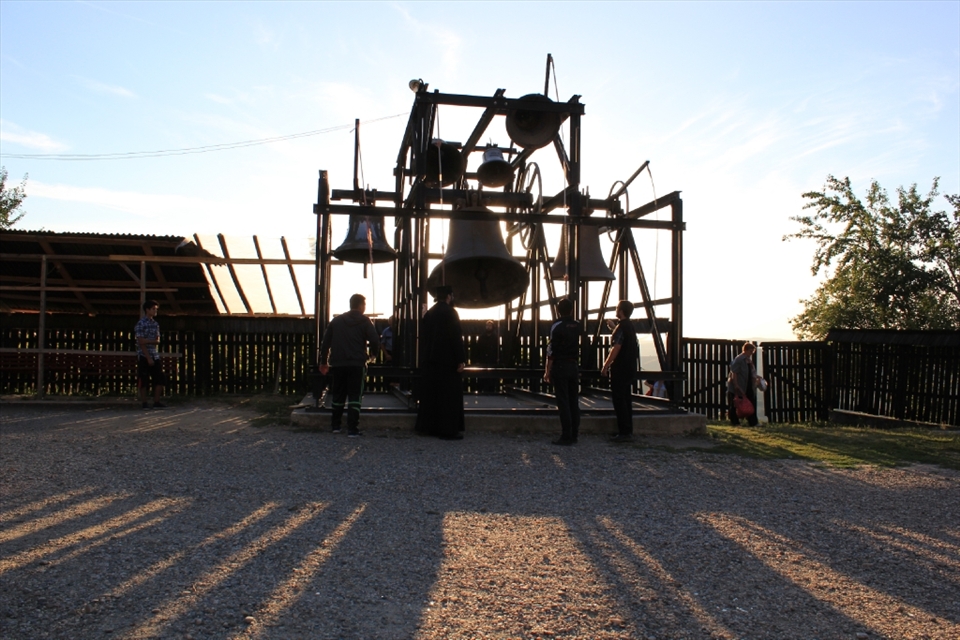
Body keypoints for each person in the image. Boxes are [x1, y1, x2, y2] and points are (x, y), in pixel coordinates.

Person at [319, 294, 380, 437]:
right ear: (361, 306)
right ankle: (352, 429)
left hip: (338, 363)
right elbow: (375, 340)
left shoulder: (337, 321)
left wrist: (324, 361)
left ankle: (335, 426)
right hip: (357, 364)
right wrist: (372, 356)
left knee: (338, 394)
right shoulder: (365, 322)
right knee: (355, 396)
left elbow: (326, 343)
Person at [415, 286, 466, 440]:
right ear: (449, 296)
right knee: (448, 396)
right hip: (447, 360)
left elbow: (424, 337)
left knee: (432, 394)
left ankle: (430, 428)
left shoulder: (430, 313)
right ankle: (448, 430)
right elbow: (456, 337)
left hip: (430, 360)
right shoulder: (450, 312)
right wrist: (460, 359)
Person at [543, 298, 580, 445]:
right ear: (571, 309)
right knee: (573, 400)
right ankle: (575, 434)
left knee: (563, 401)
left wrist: (547, 370)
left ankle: (566, 435)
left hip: (560, 365)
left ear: (558, 310)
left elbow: (551, 350)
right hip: (573, 365)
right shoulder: (577, 325)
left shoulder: (556, 326)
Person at [601, 300, 639, 442]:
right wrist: (613, 327)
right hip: (629, 368)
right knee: (626, 399)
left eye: (617, 308)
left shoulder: (621, 328)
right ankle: (628, 430)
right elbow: (623, 338)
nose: (616, 310)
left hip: (620, 369)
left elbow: (616, 347)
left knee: (619, 400)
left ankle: (623, 432)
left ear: (621, 311)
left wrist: (606, 365)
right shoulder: (629, 326)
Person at [135, 300, 167, 409]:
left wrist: (147, 341)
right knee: (143, 379)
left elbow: (157, 340)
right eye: (153, 309)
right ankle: (144, 402)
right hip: (144, 355)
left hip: (154, 354)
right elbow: (140, 342)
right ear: (147, 310)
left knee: (160, 378)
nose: (155, 311)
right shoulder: (141, 323)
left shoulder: (155, 324)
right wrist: (148, 357)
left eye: (156, 309)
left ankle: (156, 401)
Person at [727, 342, 761, 427]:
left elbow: (749, 372)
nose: (751, 353)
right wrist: (735, 384)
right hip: (739, 385)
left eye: (752, 351)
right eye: (750, 351)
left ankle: (753, 422)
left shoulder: (748, 360)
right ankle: (735, 422)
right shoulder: (739, 359)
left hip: (747, 385)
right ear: (745, 350)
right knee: (736, 404)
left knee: (750, 402)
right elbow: (734, 372)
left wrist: (756, 377)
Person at [474, 320, 499, 393]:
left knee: (491, 376)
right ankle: (481, 390)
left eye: (490, 326)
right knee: (482, 376)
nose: (488, 327)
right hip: (483, 359)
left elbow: (497, 349)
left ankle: (491, 390)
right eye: (487, 326)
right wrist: (477, 359)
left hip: (492, 360)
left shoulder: (495, 337)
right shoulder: (482, 337)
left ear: (492, 327)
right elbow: (478, 349)